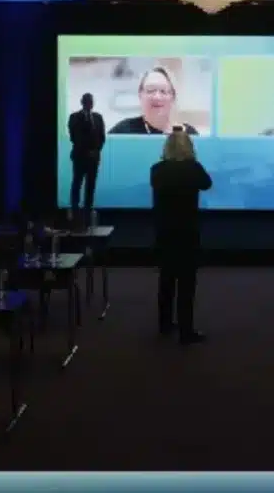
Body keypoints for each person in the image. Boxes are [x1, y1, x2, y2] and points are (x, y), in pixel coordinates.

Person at [150, 130, 212, 344]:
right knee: (187, 283)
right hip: (187, 233)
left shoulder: (157, 170)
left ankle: (165, 325)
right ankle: (186, 330)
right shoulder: (193, 168)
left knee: (165, 280)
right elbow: (207, 184)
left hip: (164, 233)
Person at [110, 66, 199, 135]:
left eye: (163, 91)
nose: (157, 97)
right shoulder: (123, 131)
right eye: (150, 90)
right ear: (140, 95)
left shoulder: (188, 134)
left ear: (173, 97)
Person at [68, 93, 106, 222]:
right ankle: (75, 212)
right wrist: (86, 151)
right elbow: (74, 137)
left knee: (91, 186)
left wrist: (95, 151)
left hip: (94, 159)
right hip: (80, 157)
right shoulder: (74, 117)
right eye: (87, 101)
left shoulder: (98, 117)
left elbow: (102, 137)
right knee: (77, 184)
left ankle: (87, 213)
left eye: (91, 101)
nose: (90, 103)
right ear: (82, 102)